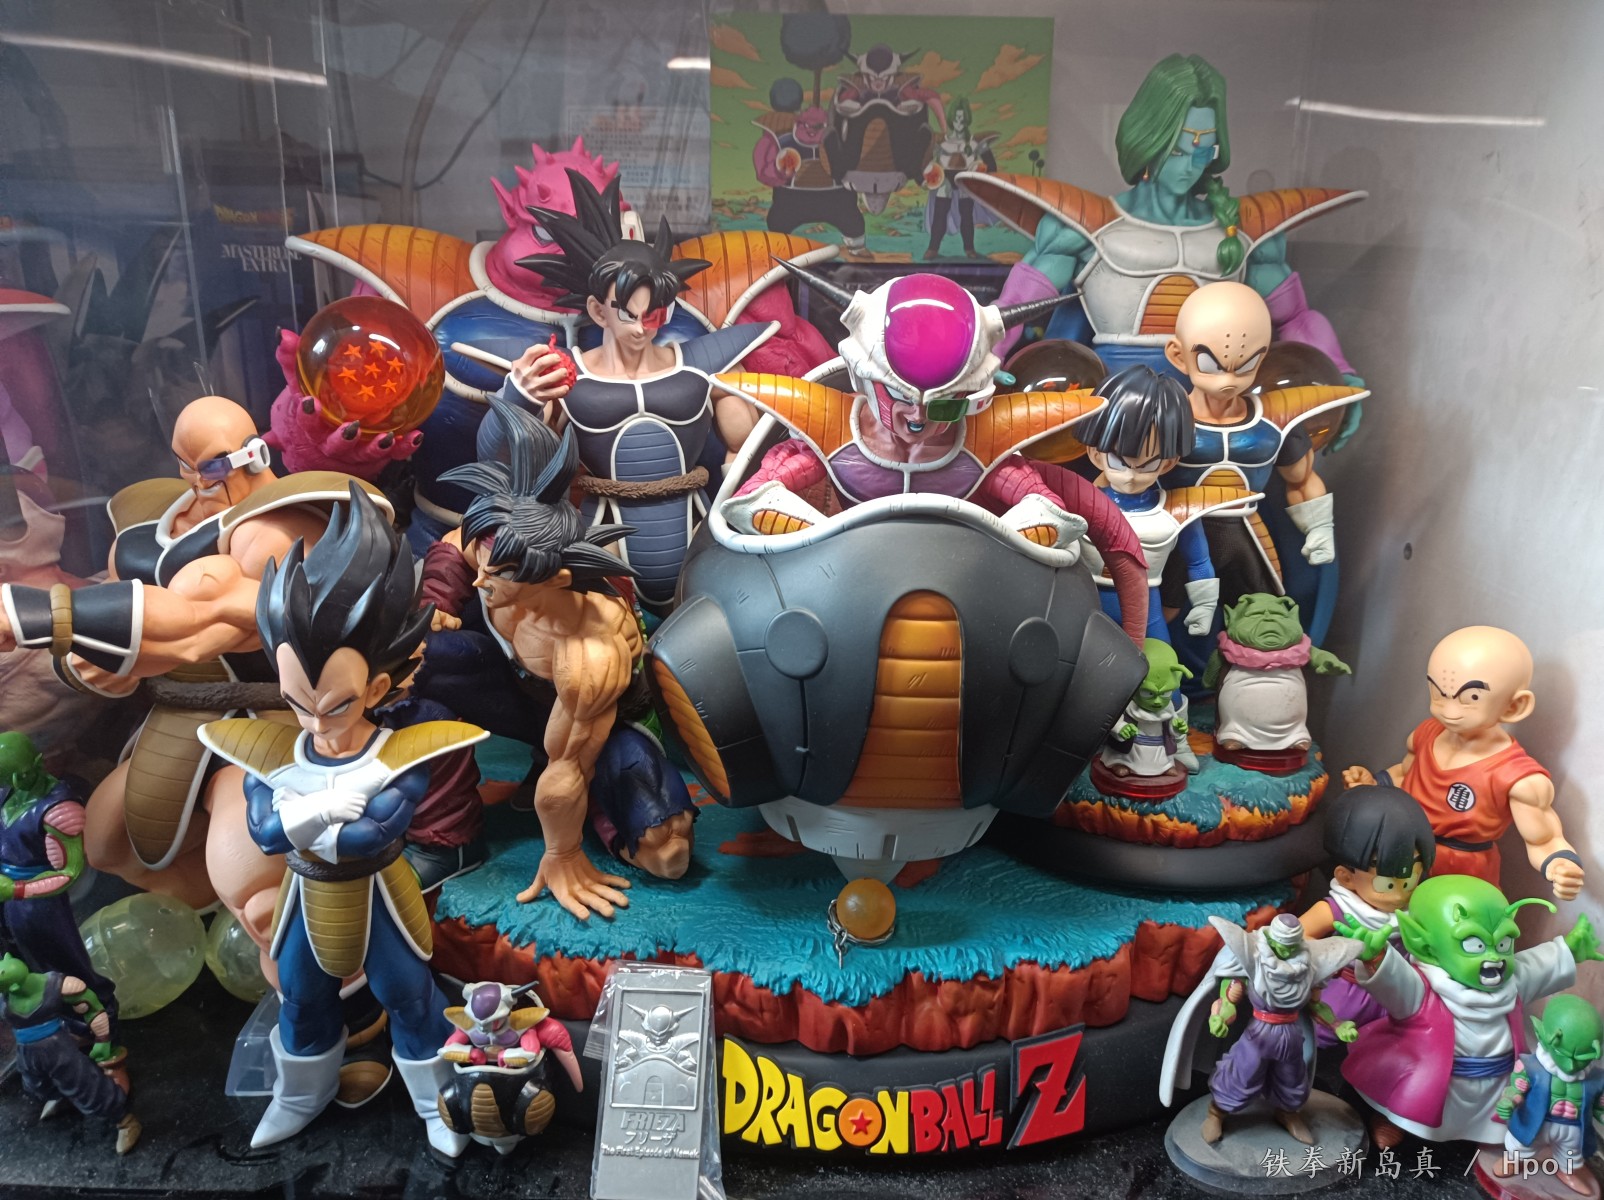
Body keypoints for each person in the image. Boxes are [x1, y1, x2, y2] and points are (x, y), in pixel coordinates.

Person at [197, 485, 484, 1155]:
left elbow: (376, 832)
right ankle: (300, 1096)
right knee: (301, 997)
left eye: (334, 705)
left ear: (378, 689)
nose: (315, 723)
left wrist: (306, 816)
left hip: (382, 894)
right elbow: (265, 832)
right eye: (298, 703)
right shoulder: (274, 750)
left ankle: (435, 1102)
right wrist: (323, 811)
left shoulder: (404, 748)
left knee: (408, 996)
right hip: (306, 896)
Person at [503, 169, 777, 614]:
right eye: (627, 314)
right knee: (606, 633)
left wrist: (747, 518)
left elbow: (746, 459)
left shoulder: (704, 365)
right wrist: (519, 397)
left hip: (697, 533)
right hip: (604, 536)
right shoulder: (566, 377)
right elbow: (508, 462)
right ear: (598, 311)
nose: (639, 328)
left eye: (652, 316)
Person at [1343, 626, 1582, 901]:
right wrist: (1373, 784)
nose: (1448, 710)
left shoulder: (1518, 777)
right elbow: (1406, 775)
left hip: (1462, 877)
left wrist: (1561, 866)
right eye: (1438, 693)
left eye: (1471, 698)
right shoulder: (1426, 734)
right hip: (1401, 856)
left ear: (1514, 706)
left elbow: (1544, 839)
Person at [1071, 363, 1256, 641]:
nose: (1131, 476)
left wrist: (1204, 604)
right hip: (1085, 602)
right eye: (1119, 462)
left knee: (1161, 665)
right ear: (1096, 454)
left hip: (1147, 611)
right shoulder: (1079, 500)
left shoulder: (1176, 510)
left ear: (1168, 463)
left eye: (1147, 465)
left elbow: (1199, 561)